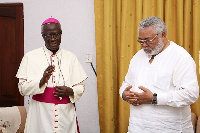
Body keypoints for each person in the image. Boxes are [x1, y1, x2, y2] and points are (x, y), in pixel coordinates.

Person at [119, 16, 199, 133]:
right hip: (136, 127)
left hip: (169, 129)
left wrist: (154, 98)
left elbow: (190, 94)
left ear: (163, 35)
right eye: (141, 41)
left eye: (148, 40)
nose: (144, 45)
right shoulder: (138, 56)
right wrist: (124, 94)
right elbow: (127, 83)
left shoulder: (181, 57)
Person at [16, 17, 87, 133]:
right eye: (48, 35)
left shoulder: (71, 57)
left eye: (56, 35)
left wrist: (70, 91)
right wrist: (41, 81)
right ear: (43, 36)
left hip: (66, 115)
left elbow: (81, 87)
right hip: (40, 115)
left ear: (61, 34)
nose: (52, 39)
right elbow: (22, 89)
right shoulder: (30, 57)